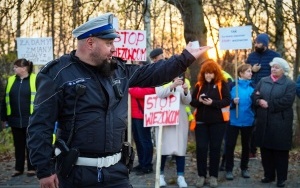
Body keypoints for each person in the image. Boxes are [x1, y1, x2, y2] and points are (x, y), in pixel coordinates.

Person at [26, 12, 212, 188]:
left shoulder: (118, 70)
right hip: (76, 174)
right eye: (108, 43)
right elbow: (40, 125)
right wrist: (44, 170)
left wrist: (184, 58)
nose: (113, 49)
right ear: (90, 43)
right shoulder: (57, 74)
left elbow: (154, 73)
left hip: (116, 173)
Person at [252, 57, 295, 187]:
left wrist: (269, 104)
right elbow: (254, 95)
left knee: (280, 151)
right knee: (265, 150)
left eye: (276, 67)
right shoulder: (263, 81)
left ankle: (281, 178)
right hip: (263, 121)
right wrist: (259, 101)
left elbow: (287, 101)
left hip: (280, 122)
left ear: (283, 70)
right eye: (272, 67)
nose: (273, 69)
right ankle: (268, 175)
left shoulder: (289, 84)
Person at [190, 59, 230, 188]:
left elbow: (227, 101)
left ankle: (214, 176)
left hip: (218, 122)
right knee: (201, 148)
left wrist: (212, 103)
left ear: (215, 73)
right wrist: (200, 101)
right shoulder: (198, 85)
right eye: (206, 73)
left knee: (215, 148)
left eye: (211, 73)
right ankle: (201, 176)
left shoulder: (221, 84)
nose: (208, 75)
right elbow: (192, 102)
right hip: (201, 122)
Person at [245, 33, 281, 159]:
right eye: (255, 43)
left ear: (265, 44)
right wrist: (251, 69)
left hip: (268, 91)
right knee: (251, 121)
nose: (256, 45)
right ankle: (251, 150)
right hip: (251, 90)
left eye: (258, 43)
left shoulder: (275, 56)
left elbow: (279, 72)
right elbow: (244, 70)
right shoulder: (251, 56)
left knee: (265, 121)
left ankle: (269, 149)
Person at [1, 58, 36, 177]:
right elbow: (5, 100)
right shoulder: (11, 80)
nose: (14, 69)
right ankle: (18, 168)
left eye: (16, 67)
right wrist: (4, 117)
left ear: (24, 68)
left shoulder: (34, 79)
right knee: (18, 145)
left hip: (31, 119)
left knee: (30, 145)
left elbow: (41, 99)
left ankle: (32, 168)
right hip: (14, 119)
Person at [155, 75, 191, 188]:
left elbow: (187, 101)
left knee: (180, 148)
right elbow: (160, 94)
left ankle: (181, 176)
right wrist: (172, 85)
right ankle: (160, 176)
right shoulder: (160, 81)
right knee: (163, 148)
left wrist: (186, 90)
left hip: (179, 121)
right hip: (164, 121)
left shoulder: (183, 84)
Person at [224, 64, 255, 180]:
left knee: (246, 146)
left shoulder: (253, 86)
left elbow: (256, 101)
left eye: (251, 71)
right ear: (241, 73)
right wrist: (232, 102)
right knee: (230, 145)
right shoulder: (232, 85)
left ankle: (244, 168)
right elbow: (225, 101)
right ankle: (229, 169)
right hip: (233, 121)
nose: (251, 73)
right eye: (248, 71)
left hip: (248, 120)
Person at [128, 86, 155, 175]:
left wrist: (130, 89)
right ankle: (142, 163)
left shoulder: (149, 79)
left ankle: (147, 165)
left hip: (142, 115)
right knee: (138, 141)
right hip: (135, 114)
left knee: (144, 140)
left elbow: (148, 91)